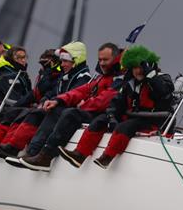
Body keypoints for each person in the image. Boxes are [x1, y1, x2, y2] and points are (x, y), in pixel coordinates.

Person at [56, 45, 174, 170]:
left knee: (125, 126)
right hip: (133, 116)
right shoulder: (130, 82)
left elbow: (163, 92)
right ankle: (79, 154)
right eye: (134, 67)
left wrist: (150, 75)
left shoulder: (162, 79)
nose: (137, 71)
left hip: (153, 121)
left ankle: (107, 157)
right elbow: (117, 102)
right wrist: (111, 116)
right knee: (101, 120)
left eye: (140, 67)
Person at [15, 42, 124, 171]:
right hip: (92, 112)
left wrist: (81, 106)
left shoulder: (118, 78)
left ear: (116, 59)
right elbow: (82, 90)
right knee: (55, 110)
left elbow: (104, 100)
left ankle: (46, 156)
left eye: (105, 60)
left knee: (69, 113)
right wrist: (58, 100)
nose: (101, 63)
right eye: (99, 59)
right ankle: (33, 152)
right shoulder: (103, 77)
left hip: (104, 116)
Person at [0, 41, 91, 159]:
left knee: (40, 112)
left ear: (76, 60)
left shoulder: (83, 77)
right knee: (28, 112)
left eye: (65, 61)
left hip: (67, 113)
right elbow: (53, 92)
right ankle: (12, 146)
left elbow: (72, 95)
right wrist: (46, 100)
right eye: (61, 61)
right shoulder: (67, 76)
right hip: (58, 108)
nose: (62, 64)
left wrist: (54, 100)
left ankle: (32, 152)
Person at [0, 49, 61, 154]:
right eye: (19, 57)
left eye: (24, 57)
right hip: (34, 104)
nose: (23, 60)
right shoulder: (14, 74)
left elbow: (49, 90)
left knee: (15, 113)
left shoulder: (52, 74)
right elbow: (36, 92)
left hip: (49, 106)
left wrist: (40, 95)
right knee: (10, 112)